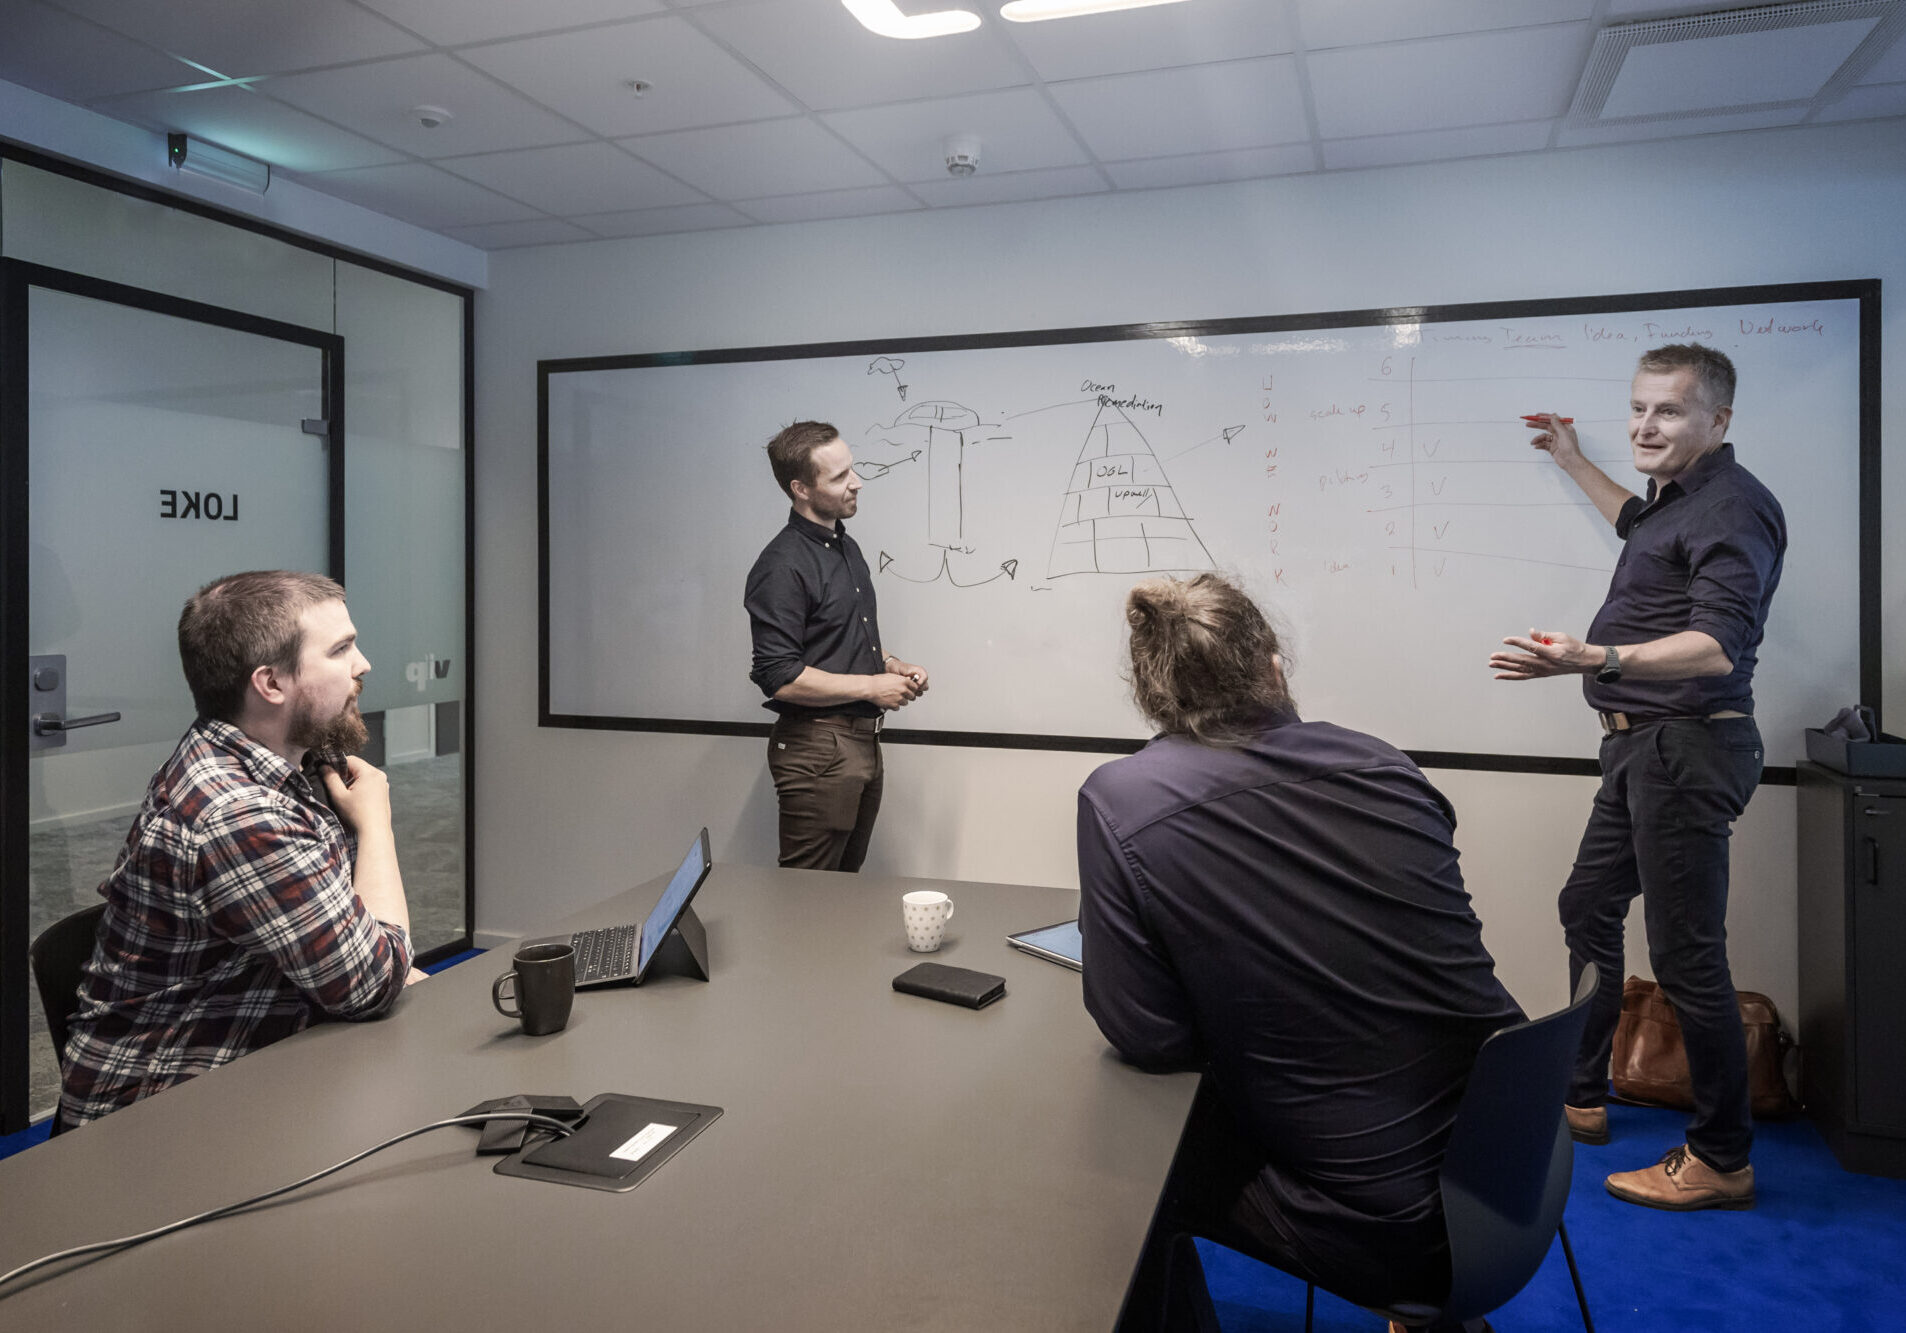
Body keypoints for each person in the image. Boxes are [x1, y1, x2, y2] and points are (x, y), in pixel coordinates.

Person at [1080, 573, 1521, 1331]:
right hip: (1513, 1162)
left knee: (1115, 1155)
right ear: (1274, 665)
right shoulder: (1385, 764)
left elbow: (1151, 1040)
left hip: (1381, 1232)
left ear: (1152, 697)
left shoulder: (1122, 798)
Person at [1489, 343, 1784, 1212]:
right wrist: (1577, 460)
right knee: (1587, 903)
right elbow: (1634, 523)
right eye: (1639, 409)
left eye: (1669, 412)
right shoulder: (1674, 502)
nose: (1645, 426)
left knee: (1688, 957)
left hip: (1686, 747)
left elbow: (1718, 642)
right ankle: (1582, 1092)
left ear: (1718, 421)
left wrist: (1595, 656)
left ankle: (1722, 1156)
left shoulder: (1736, 506)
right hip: (1642, 748)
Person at [58, 570, 420, 1129]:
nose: (363, 663)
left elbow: (347, 940)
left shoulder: (269, 761)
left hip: (260, 1064)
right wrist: (376, 827)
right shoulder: (238, 811)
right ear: (271, 684)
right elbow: (369, 984)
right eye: (342, 649)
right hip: (157, 1126)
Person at [744, 420, 929, 872]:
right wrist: (871, 687)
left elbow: (833, 638)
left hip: (859, 745)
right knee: (810, 899)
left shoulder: (846, 547)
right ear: (800, 489)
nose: (857, 482)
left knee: (843, 893)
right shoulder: (782, 565)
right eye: (840, 476)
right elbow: (780, 676)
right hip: (817, 750)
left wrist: (890, 664)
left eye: (853, 469)